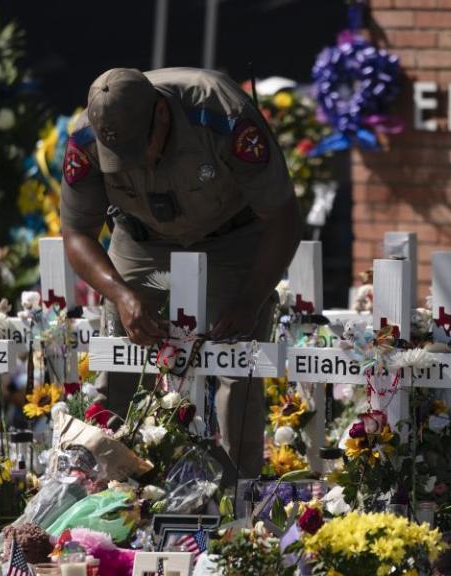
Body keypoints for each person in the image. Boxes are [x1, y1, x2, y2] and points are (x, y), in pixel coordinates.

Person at [60, 67, 301, 477]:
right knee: (120, 362)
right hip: (141, 240)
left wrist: (250, 299)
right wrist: (121, 294)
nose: (137, 164)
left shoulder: (221, 113)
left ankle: (238, 495)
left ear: (162, 113)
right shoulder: (86, 138)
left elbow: (283, 217)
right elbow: (77, 234)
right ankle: (104, 487)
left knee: (235, 364)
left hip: (231, 235)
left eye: (141, 148)